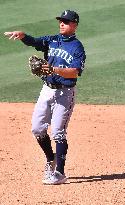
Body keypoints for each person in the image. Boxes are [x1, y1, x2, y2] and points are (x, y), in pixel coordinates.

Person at [4, 10, 86, 185]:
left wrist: (54, 70)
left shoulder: (77, 47)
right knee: (37, 129)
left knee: (58, 132)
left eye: (66, 21)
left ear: (74, 25)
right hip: (47, 90)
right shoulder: (52, 40)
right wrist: (23, 36)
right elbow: (35, 42)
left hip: (65, 93)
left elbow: (75, 72)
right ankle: (51, 158)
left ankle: (60, 173)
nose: (62, 23)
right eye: (61, 21)